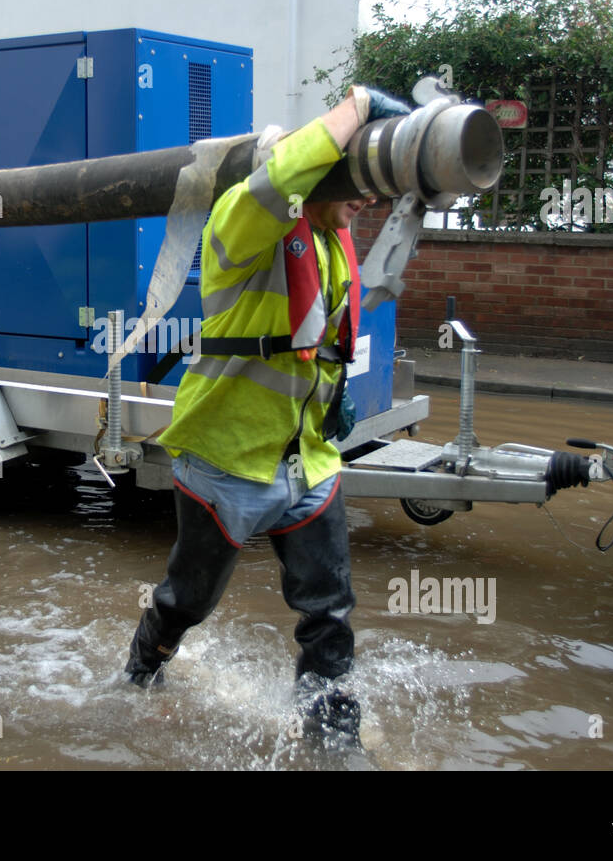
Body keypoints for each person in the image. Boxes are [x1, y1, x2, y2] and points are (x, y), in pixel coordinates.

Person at [123, 85, 409, 740]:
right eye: (354, 180)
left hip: (307, 461)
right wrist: (358, 104)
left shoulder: (333, 243)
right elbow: (282, 175)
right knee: (186, 600)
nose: (367, 198)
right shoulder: (242, 221)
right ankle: (141, 669)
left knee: (329, 613)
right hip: (225, 461)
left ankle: (332, 740)